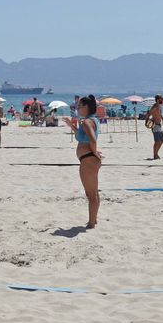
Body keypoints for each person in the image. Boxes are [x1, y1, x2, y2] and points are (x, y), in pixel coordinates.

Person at [65, 95, 103, 228]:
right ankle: (94, 219)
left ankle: (92, 223)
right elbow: (83, 137)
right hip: (88, 158)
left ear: (86, 107)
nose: (77, 108)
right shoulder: (89, 120)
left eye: (79, 106)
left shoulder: (87, 121)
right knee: (92, 192)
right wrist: (72, 126)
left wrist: (94, 152)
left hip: (88, 159)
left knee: (91, 194)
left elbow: (93, 140)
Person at [145, 94, 163, 160]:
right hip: (155, 126)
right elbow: (149, 114)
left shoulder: (159, 106)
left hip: (159, 125)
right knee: (157, 141)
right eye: (162, 98)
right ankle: (155, 155)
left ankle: (156, 153)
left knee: (162, 140)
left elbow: (160, 114)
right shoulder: (154, 107)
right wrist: (146, 122)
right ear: (158, 99)